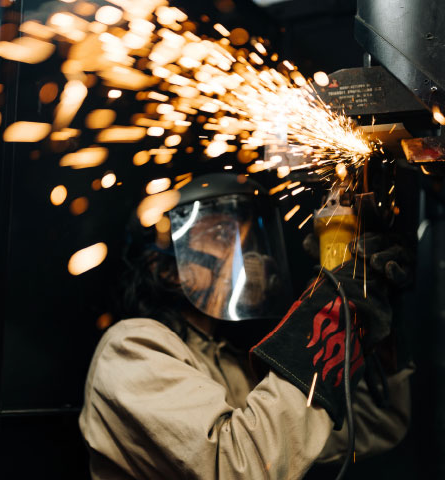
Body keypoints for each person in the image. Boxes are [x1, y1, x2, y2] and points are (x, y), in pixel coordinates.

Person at [79, 172, 413, 480]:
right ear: (166, 268)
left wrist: (369, 310)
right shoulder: (132, 348)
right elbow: (243, 466)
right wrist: (329, 310)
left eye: (251, 238)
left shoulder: (233, 362)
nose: (247, 253)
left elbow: (375, 423)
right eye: (222, 235)